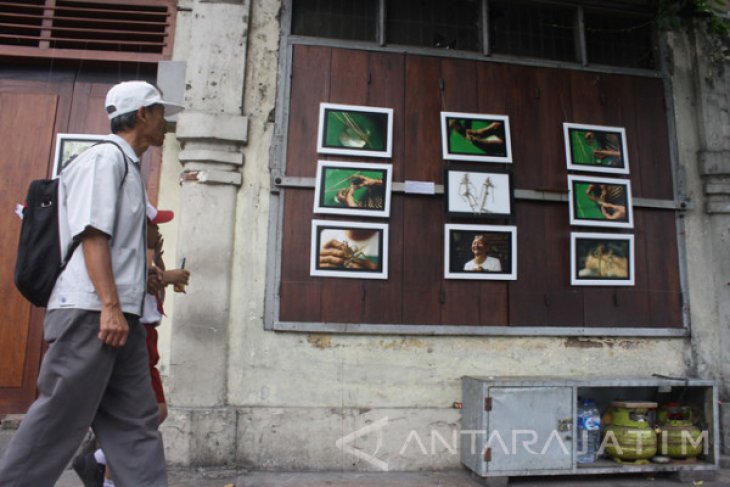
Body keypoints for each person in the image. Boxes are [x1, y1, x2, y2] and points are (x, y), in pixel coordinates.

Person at [0, 80, 183, 487]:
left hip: (122, 316)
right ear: (141, 114)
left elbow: (116, 246)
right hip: (92, 312)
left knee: (137, 421)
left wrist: (142, 280)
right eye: (159, 113)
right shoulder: (104, 160)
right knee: (60, 415)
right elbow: (92, 234)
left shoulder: (129, 166)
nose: (165, 122)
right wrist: (110, 307)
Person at [78, 203, 191, 487]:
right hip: (134, 333)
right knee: (148, 413)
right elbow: (137, 285)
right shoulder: (126, 253)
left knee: (143, 415)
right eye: (154, 225)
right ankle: (104, 462)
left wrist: (160, 261)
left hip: (146, 335)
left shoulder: (145, 255)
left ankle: (102, 462)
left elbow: (154, 289)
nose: (158, 230)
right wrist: (167, 276)